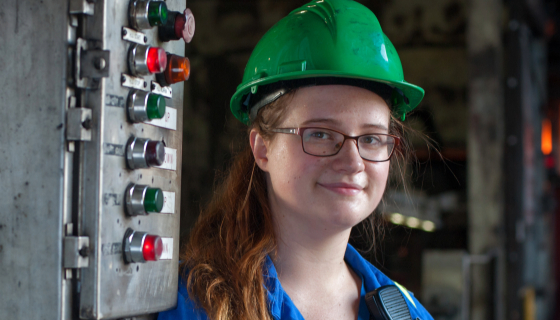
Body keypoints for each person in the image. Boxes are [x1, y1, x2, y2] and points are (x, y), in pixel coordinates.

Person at [158, 0, 434, 319]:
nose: (352, 161)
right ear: (262, 148)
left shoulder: (408, 314)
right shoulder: (193, 303)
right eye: (320, 133)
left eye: (371, 138)